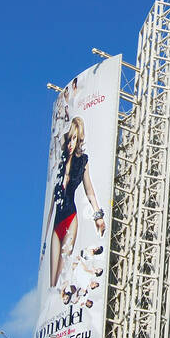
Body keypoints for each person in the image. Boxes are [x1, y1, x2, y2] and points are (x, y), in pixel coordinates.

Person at [46, 116, 105, 288]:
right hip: (57, 221)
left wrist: (98, 216)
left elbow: (89, 191)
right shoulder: (61, 162)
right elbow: (52, 200)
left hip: (70, 218)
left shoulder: (82, 162)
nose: (71, 143)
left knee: (60, 275)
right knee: (52, 281)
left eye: (75, 139)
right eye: (70, 138)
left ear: (79, 140)